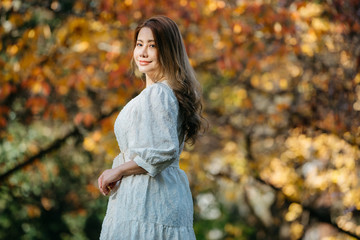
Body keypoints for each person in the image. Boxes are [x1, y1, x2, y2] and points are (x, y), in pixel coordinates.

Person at [97, 16, 203, 240]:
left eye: (152, 46)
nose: (143, 53)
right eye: (139, 44)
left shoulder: (159, 94)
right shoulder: (159, 93)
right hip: (148, 200)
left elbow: (163, 150)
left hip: (148, 201)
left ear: (168, 51)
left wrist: (118, 170)